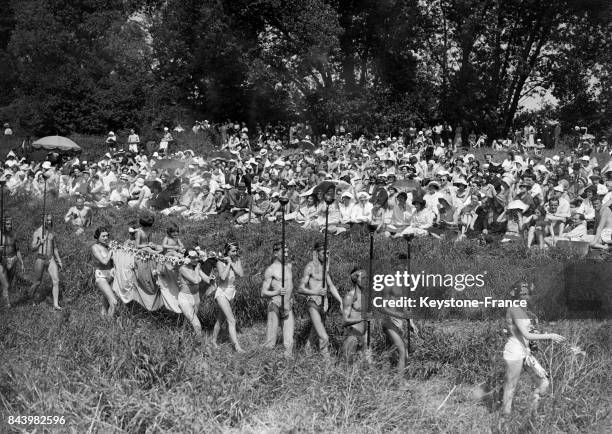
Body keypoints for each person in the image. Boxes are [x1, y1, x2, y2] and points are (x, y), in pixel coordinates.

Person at [501, 281, 566, 415]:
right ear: (516, 294)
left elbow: (526, 332)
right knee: (511, 386)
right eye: (523, 293)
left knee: (544, 383)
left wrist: (535, 336)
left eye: (527, 293)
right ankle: (505, 418)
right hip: (514, 352)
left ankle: (531, 413)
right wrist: (550, 335)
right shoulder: (514, 309)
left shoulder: (522, 311)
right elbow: (525, 334)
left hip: (525, 352)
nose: (526, 296)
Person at [297, 241, 343, 356]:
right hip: (313, 304)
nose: (327, 256)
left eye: (328, 253)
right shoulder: (310, 267)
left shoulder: (324, 268)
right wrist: (316, 292)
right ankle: (327, 366)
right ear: (316, 253)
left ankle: (305, 356)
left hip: (324, 305)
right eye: (324, 253)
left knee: (313, 335)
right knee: (324, 337)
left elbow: (331, 286)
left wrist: (341, 301)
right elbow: (300, 289)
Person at [261, 243, 294, 357]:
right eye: (283, 252)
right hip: (275, 304)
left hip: (287, 305)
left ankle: (288, 366)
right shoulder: (270, 270)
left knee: (289, 342)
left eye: (287, 252)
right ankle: (266, 365)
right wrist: (277, 292)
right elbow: (263, 292)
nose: (286, 254)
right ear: (275, 253)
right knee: (270, 342)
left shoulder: (288, 266)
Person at [212, 242, 245, 352]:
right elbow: (222, 277)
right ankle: (237, 347)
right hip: (222, 293)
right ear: (227, 251)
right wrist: (228, 264)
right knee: (231, 320)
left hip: (231, 292)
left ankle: (213, 341)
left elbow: (240, 274)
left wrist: (232, 263)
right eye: (233, 251)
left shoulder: (237, 260)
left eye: (236, 251)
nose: (235, 253)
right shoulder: (220, 262)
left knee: (220, 319)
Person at [29, 215, 63, 309]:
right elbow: (32, 248)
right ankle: (30, 297)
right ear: (43, 220)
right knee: (37, 282)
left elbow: (55, 248)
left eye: (50, 220)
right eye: (47, 220)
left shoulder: (52, 232)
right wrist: (40, 242)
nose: (49, 222)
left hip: (50, 259)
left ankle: (56, 304)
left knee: (56, 281)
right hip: (40, 259)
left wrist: (59, 260)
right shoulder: (38, 232)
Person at [177, 250, 213, 339]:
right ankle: (200, 347)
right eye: (193, 258)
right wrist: (197, 269)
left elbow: (207, 280)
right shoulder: (183, 268)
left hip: (196, 297)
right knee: (197, 325)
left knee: (189, 322)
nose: (196, 259)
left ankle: (181, 339)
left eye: (197, 257)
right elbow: (195, 280)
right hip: (185, 298)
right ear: (187, 258)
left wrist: (211, 276)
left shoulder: (196, 267)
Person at [341, 267, 370, 362]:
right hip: (352, 338)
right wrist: (362, 318)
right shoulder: (349, 296)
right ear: (356, 279)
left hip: (364, 339)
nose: (366, 280)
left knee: (368, 369)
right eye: (363, 278)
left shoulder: (365, 296)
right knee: (348, 368)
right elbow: (345, 321)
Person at [91, 227, 116, 317]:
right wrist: (111, 251)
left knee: (106, 303)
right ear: (98, 237)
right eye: (103, 236)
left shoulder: (107, 247)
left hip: (111, 276)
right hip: (101, 276)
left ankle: (103, 322)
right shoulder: (95, 247)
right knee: (114, 302)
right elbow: (104, 261)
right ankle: (110, 327)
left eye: (107, 236)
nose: (106, 238)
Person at [0, 217, 24, 305]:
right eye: (7, 224)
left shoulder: (14, 235)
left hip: (13, 260)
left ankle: (5, 300)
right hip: (2, 261)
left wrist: (21, 263)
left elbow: (17, 250)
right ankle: (8, 305)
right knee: (6, 285)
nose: (9, 226)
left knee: (8, 284)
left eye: (10, 224)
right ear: (3, 224)